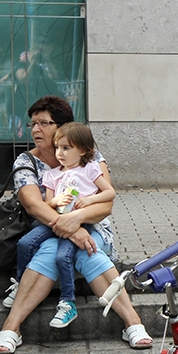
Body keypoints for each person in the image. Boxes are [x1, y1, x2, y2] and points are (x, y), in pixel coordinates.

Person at [0, 96, 152, 354]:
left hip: (92, 228)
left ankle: (133, 323)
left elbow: (105, 204)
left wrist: (78, 220)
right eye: (33, 123)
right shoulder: (26, 162)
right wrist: (71, 228)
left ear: (62, 126)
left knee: (88, 250)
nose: (36, 129)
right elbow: (34, 206)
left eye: (44, 123)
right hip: (47, 230)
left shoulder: (90, 157)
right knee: (49, 252)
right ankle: (11, 328)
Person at [13, 122, 115, 329]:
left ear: (82, 150)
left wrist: (90, 200)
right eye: (57, 147)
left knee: (63, 256)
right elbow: (46, 204)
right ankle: (19, 283)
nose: (59, 153)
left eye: (66, 148)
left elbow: (109, 193)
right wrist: (55, 201)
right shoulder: (51, 174)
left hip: (80, 223)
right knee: (25, 243)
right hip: (55, 223)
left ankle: (68, 302)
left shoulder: (90, 169)